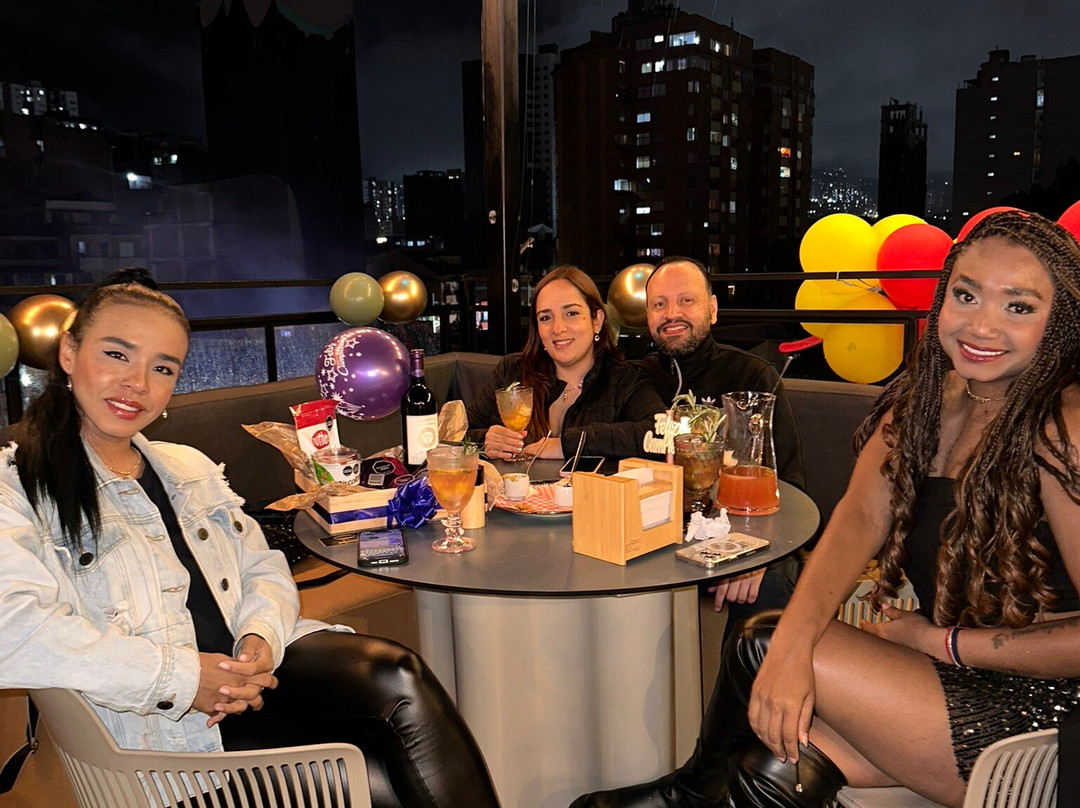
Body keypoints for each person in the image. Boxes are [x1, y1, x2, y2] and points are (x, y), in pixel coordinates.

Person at [572, 211, 1080, 808]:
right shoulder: (926, 403)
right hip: (954, 674)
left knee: (761, 642)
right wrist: (797, 646)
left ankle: (685, 794)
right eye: (966, 295)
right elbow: (858, 519)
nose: (982, 325)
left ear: (1060, 320)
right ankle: (695, 791)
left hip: (1042, 714)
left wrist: (941, 643)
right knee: (773, 760)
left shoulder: (1064, 427)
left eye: (1018, 306)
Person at [0, 269, 501, 808]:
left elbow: (263, 567)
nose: (138, 383)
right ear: (69, 352)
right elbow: (14, 630)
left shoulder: (186, 466)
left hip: (252, 676)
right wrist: (183, 677)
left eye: (162, 368)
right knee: (381, 784)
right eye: (117, 355)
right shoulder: (17, 487)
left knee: (397, 674)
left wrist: (260, 637)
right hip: (166, 725)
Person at [642, 257, 805, 630]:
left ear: (712, 309)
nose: (672, 313)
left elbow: (789, 484)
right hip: (657, 537)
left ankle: (747, 672)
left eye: (686, 300)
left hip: (741, 531)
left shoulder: (752, 377)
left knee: (769, 587)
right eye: (659, 304)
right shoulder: (637, 379)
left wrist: (753, 551)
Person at [468, 264, 665, 461]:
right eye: (545, 318)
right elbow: (460, 434)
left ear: (597, 320)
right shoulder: (511, 371)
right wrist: (484, 441)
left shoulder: (626, 380)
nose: (558, 328)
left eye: (571, 313)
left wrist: (568, 445)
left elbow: (661, 434)